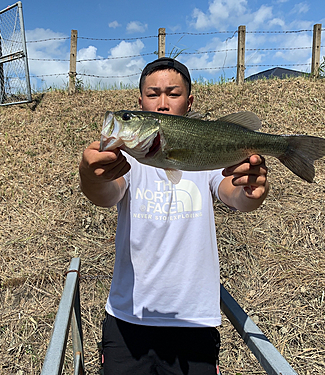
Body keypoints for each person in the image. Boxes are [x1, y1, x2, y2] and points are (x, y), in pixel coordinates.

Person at [79, 57, 269, 375]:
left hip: (194, 320)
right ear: (140, 102)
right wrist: (91, 175)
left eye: (173, 93)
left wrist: (251, 191)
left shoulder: (202, 155)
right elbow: (106, 194)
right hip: (128, 319)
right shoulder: (126, 159)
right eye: (153, 94)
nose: (163, 103)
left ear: (189, 101)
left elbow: (233, 194)